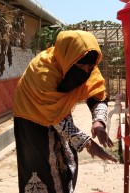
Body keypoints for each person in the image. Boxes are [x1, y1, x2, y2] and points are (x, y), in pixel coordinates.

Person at [13, 30, 117, 193]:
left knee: (67, 160)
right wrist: (89, 144)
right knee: (41, 167)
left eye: (90, 66)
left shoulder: (88, 66)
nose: (86, 71)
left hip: (59, 111)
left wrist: (99, 122)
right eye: (81, 66)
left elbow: (97, 95)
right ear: (68, 60)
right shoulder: (43, 72)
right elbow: (56, 120)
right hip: (30, 117)